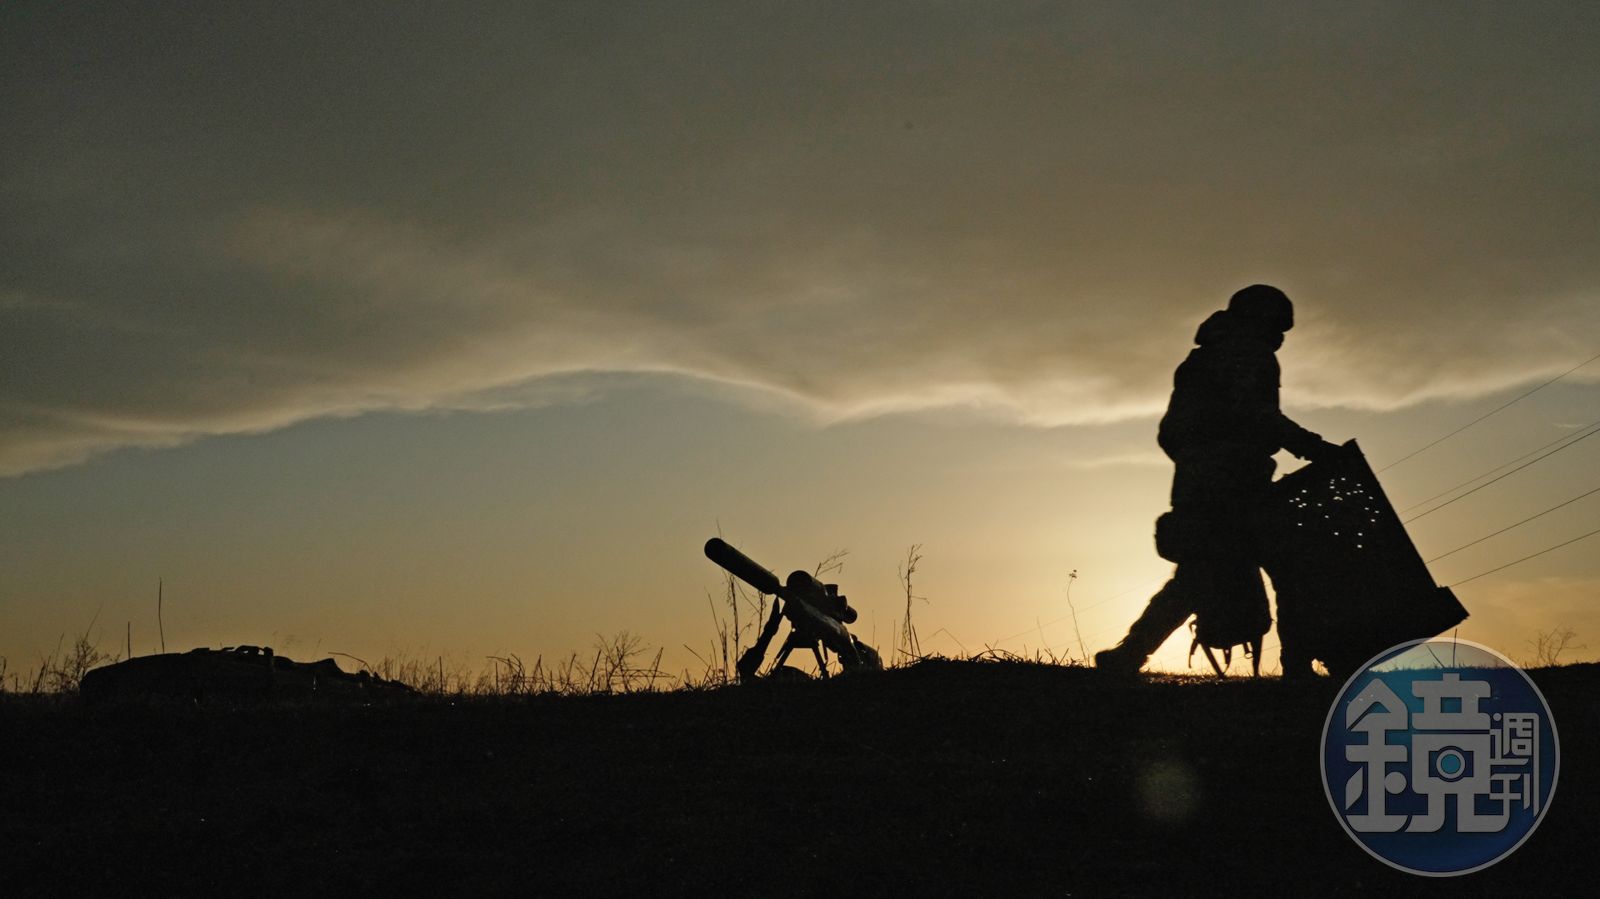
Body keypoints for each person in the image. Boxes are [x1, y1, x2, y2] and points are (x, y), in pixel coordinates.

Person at [1095, 285, 1343, 675]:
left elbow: (1170, 432)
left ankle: (1129, 654)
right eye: (1277, 327)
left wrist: (1197, 463)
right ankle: (1297, 666)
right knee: (1289, 569)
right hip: (1236, 488)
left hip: (1201, 486)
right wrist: (1313, 447)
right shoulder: (1246, 353)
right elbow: (1259, 415)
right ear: (1261, 320)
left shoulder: (1204, 357)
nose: (1279, 337)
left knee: (1197, 576)